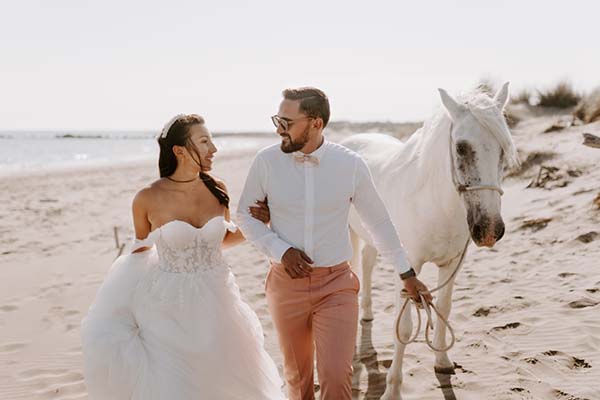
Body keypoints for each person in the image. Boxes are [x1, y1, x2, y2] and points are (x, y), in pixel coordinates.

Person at [237, 87, 432, 400]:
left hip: (337, 285)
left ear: (315, 123)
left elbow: (378, 222)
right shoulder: (266, 162)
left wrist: (406, 273)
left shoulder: (350, 165)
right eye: (277, 120)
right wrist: (281, 250)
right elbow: (244, 216)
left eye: (286, 121)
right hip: (286, 286)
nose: (278, 129)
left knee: (336, 377)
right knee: (298, 381)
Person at [81, 114, 285, 400]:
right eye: (204, 141)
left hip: (220, 298)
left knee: (229, 380)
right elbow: (139, 254)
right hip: (169, 307)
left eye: (212, 140)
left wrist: (260, 223)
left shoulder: (218, 189)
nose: (213, 148)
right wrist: (124, 308)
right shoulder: (147, 198)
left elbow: (221, 241)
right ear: (178, 150)